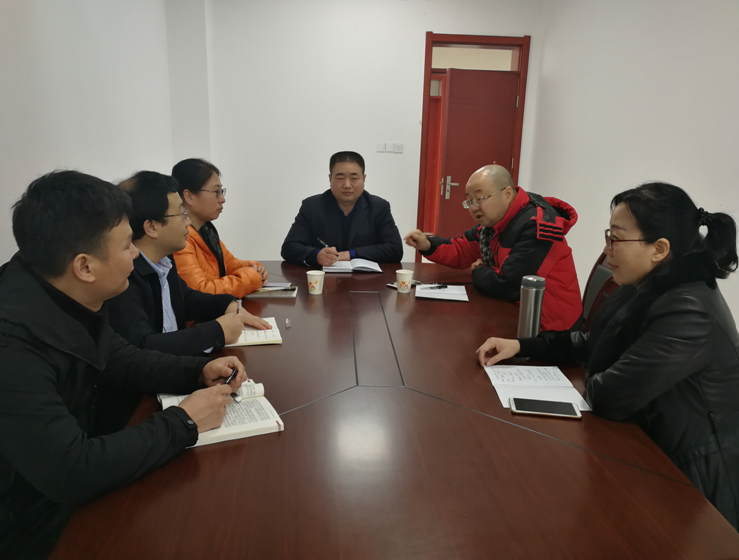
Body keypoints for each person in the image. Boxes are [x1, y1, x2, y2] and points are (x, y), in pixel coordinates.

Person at [0, 171, 248, 559]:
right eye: (127, 245)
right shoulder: (7, 346)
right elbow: (73, 470)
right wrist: (185, 421)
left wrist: (196, 372)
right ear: (85, 266)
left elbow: (121, 356)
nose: (135, 254)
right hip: (32, 527)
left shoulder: (64, 290)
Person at [477, 182, 739, 530]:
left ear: (659, 249)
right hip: (645, 448)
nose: (606, 249)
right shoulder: (652, 285)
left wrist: (594, 370)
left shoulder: (688, 311)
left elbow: (608, 395)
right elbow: (592, 343)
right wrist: (522, 346)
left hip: (690, 486)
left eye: (616, 239)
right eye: (608, 236)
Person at [103, 171, 271, 433]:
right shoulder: (123, 277)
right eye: (180, 214)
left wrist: (228, 305)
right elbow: (142, 347)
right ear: (151, 227)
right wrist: (216, 331)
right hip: (140, 403)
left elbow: (187, 298)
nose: (187, 222)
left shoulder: (163, 259)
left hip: (173, 374)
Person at [404, 165, 581, 331]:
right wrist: (428, 245)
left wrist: (479, 270)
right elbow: (462, 249)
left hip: (549, 330)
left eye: (480, 199)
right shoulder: (493, 225)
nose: (473, 208)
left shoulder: (538, 226)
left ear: (507, 194)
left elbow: (509, 285)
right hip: (511, 313)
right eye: (469, 201)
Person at [281, 151, 403, 266]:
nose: (347, 185)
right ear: (330, 179)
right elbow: (289, 247)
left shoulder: (379, 207)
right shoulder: (312, 206)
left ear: (364, 179)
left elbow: (395, 249)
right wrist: (317, 255)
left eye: (354, 178)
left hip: (365, 278)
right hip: (324, 278)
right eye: (340, 178)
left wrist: (351, 254)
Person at [172, 158, 268, 297]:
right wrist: (251, 277)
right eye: (216, 191)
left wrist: (254, 268)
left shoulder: (206, 230)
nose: (222, 199)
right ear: (189, 196)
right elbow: (200, 292)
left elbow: (228, 263)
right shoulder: (181, 238)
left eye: (222, 191)